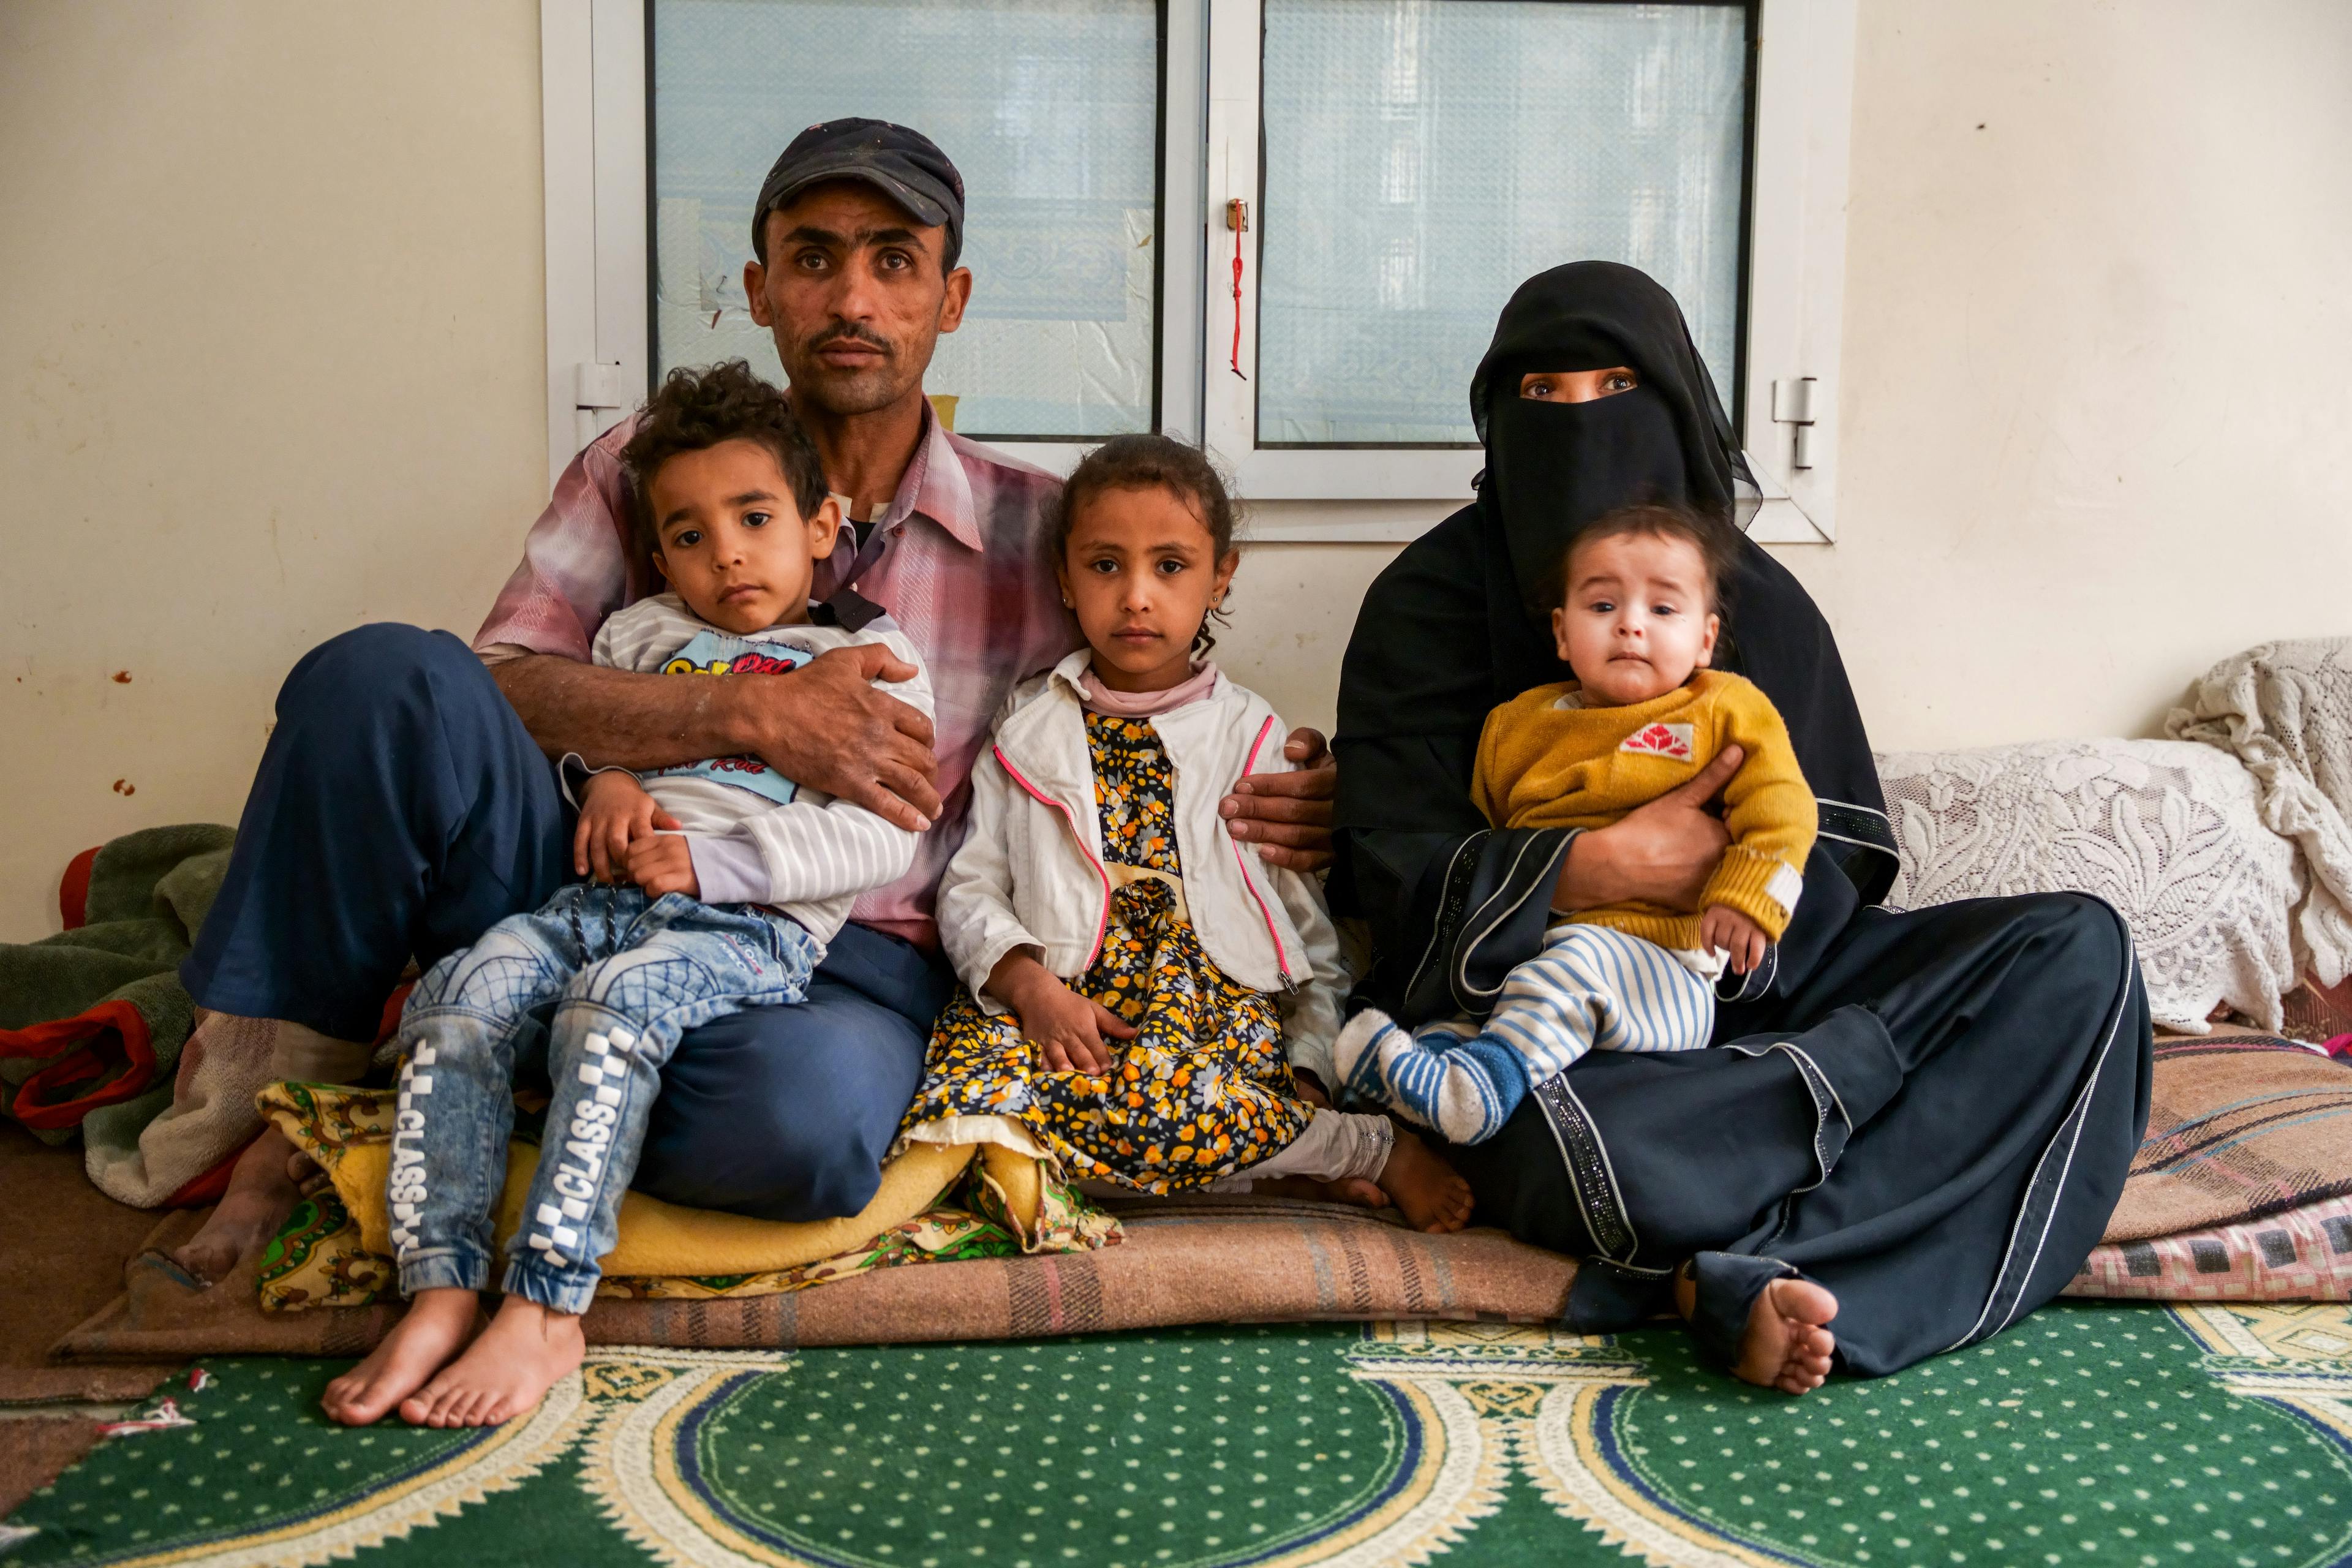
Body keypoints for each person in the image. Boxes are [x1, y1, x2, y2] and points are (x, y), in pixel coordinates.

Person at [164, 119, 1335, 1283]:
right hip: (579, 885)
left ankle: (489, 1066)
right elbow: (499, 687)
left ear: (953, 295)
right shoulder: (646, 468)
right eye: (814, 258)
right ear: (761, 290)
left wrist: (1285, 777)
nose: (853, 298)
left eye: (894, 260)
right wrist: (738, 714)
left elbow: (1152, 686)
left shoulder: (1043, 531)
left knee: (803, 1140)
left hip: (837, 959)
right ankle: (286, 1111)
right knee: (383, 679)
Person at [1330, 261, 2152, 1395]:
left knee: (2078, 955)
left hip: (1756, 990)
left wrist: (1731, 896)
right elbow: (1394, 878)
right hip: (1574, 1030)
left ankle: (1747, 1268)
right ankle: (1815, 1177)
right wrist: (1587, 870)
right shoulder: (1422, 608)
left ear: (1674, 408)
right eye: (1541, 398)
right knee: (1555, 1134)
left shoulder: (1752, 601)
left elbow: (1841, 864)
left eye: (1614, 388)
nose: (1579, 427)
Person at [321, 361, 932, 1428]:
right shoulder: (638, 638)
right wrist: (598, 778)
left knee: (608, 1017)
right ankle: (439, 1282)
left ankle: (549, 1305)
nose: (728, 552)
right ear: (657, 557)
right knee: (463, 996)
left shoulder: (868, 656)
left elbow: (878, 833)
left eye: (755, 517)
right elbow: (585, 741)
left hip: (749, 926)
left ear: (823, 522)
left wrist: (716, 866)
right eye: (690, 535)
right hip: (596, 901)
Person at [899, 436, 1472, 1232]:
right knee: (965, 1111)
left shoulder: (1250, 735)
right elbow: (972, 886)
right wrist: (1031, 990)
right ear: (1064, 577)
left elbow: (1306, 931)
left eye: (1169, 567)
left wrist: (1308, 1064)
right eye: (1105, 565)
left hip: (1201, 1011)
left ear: (1220, 576)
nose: (1136, 596)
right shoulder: (1029, 725)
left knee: (1158, 1106)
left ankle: (1354, 1147)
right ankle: (1272, 1162)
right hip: (1059, 1000)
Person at [1331, 503, 1816, 1158]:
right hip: (1540, 946)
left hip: (1661, 970)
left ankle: (1480, 1093)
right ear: (1562, 632)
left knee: (1573, 968)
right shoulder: (1517, 726)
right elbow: (1485, 839)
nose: (1631, 626)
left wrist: (1749, 895)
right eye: (1603, 606)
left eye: (1663, 610)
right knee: (1476, 989)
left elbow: (1785, 805)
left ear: (1705, 638)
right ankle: (1426, 1069)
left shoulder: (1721, 707)